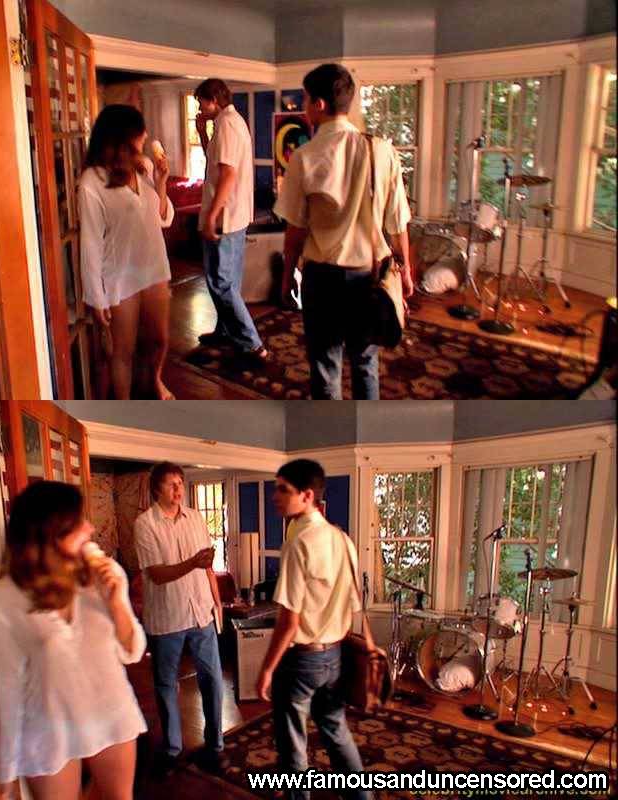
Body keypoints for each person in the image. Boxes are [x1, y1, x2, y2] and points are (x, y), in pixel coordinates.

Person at [0, 480, 146, 800]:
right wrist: (6, 765)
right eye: (77, 524)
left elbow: (133, 652)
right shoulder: (5, 595)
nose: (90, 529)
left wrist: (116, 602)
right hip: (48, 726)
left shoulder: (106, 574)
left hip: (111, 710)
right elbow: (7, 684)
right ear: (49, 535)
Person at [273, 63, 413, 399]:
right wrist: (406, 271)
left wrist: (287, 276)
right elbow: (397, 222)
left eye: (305, 99)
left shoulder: (304, 157)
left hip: (323, 279)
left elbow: (295, 230)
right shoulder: (382, 150)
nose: (303, 107)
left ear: (319, 104)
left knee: (325, 367)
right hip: (371, 275)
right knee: (365, 362)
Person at [256, 459, 379, 800]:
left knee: (292, 745)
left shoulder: (299, 543)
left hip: (302, 661)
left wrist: (266, 669)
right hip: (334, 656)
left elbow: (288, 621)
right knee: (336, 732)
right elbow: (353, 605)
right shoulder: (342, 539)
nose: (274, 496)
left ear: (307, 495)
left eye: (283, 490)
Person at [131, 462, 226, 775]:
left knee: (212, 679)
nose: (178, 489)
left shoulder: (195, 518)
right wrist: (192, 563)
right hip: (167, 618)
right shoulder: (145, 524)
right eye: (171, 484)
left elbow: (206, 565)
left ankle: (215, 745)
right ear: (156, 488)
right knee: (166, 684)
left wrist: (217, 601)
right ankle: (172, 749)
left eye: (181, 483)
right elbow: (157, 575)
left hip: (201, 612)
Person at [78, 104, 175, 400]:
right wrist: (96, 298)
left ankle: (155, 380)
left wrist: (161, 182)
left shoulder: (142, 166)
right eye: (139, 133)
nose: (145, 137)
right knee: (123, 351)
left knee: (159, 340)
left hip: (154, 267)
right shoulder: (92, 181)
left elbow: (162, 218)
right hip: (119, 274)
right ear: (120, 138)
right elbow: (90, 242)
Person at [194, 78, 269, 365]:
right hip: (237, 215)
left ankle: (252, 345)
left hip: (226, 217)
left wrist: (212, 216)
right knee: (231, 280)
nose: (200, 107)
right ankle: (225, 331)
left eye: (201, 101)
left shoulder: (226, 125)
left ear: (213, 100)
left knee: (220, 282)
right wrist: (202, 133)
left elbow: (227, 175)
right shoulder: (231, 122)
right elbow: (215, 162)